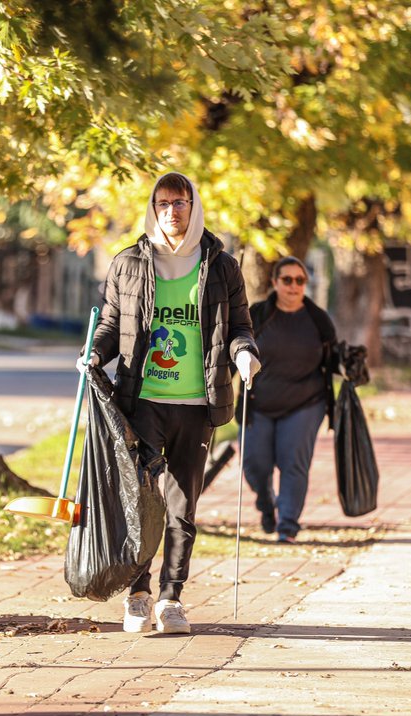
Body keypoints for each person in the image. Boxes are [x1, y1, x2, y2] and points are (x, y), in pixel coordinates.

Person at [82, 172, 259, 635]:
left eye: (180, 202)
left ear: (193, 206)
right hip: (141, 400)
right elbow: (110, 325)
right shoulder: (128, 264)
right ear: (153, 208)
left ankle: (170, 599)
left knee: (183, 507)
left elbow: (240, 326)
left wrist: (244, 356)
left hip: (198, 404)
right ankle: (137, 595)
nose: (172, 212)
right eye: (163, 203)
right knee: (140, 502)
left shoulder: (221, 266)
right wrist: (95, 354)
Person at [242, 256, 337, 544]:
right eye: (287, 279)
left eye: (300, 280)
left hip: (306, 403)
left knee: (293, 461)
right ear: (274, 282)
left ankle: (288, 525)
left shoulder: (318, 319)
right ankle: (266, 500)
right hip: (259, 402)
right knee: (255, 465)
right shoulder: (257, 315)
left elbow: (333, 358)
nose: (294, 286)